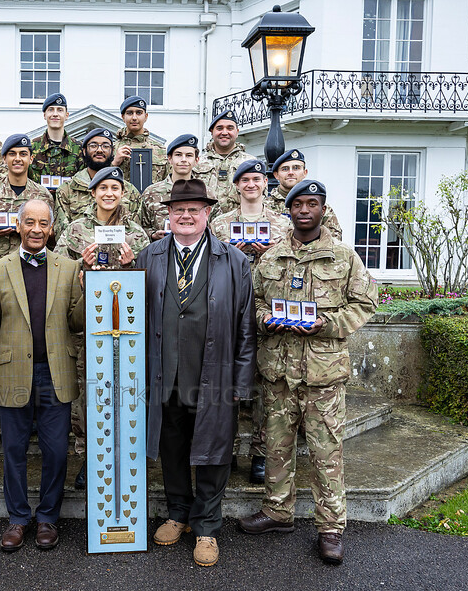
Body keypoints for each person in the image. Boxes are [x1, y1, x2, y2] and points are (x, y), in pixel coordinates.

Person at [239, 180, 377, 566]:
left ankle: (330, 527)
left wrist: (327, 324)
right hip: (279, 371)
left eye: (311, 204)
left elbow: (364, 302)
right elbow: (253, 303)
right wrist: (268, 320)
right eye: (297, 204)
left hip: (323, 374)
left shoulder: (343, 257)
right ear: (289, 210)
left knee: (326, 453)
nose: (304, 210)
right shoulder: (270, 258)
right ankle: (277, 511)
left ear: (322, 209)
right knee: (277, 447)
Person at [135, 178, 255, 568]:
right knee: (171, 445)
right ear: (167, 215)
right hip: (164, 374)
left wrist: (240, 380)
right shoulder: (148, 256)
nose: (185, 216)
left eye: (193, 210)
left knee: (214, 451)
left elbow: (245, 326)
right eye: (178, 210)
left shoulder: (234, 261)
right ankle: (178, 511)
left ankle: (206, 525)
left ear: (207, 214)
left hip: (213, 375)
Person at [0, 198, 85, 552]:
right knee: (14, 450)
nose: (36, 229)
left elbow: (77, 323)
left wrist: (89, 288)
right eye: (30, 222)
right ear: (19, 225)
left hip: (56, 374)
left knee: (56, 451)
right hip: (11, 373)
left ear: (51, 228)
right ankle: (18, 518)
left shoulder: (69, 269)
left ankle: (48, 518)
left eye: (43, 223)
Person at [54, 166, 149, 489]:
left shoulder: (135, 232)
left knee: (123, 391)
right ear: (92, 192)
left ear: (123, 193)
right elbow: (58, 270)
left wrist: (129, 265)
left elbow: (149, 277)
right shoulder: (76, 229)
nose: (109, 193)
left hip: (126, 327)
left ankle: (122, 454)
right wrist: (82, 268)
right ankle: (89, 456)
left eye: (115, 188)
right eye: (103, 188)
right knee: (87, 392)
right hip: (86, 325)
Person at [209, 159, 291, 484]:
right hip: (230, 310)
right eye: (245, 179)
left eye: (257, 178)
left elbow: (292, 269)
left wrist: (270, 252)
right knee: (226, 384)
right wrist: (231, 251)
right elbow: (209, 266)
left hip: (269, 311)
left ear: (265, 183)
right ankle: (224, 450)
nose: (251, 184)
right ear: (237, 185)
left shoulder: (282, 226)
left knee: (266, 386)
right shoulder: (221, 224)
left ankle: (259, 453)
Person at [0, 134, 54, 441]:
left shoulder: (41, 193)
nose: (18, 158)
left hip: (30, 273)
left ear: (32, 159)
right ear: (3, 158)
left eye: (24, 154)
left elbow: (50, 233)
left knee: (27, 337)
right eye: (12, 153)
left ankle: (27, 404)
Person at [54, 128, 142, 239]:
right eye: (94, 145)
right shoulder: (66, 190)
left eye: (105, 146)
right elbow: (62, 233)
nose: (100, 150)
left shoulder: (130, 191)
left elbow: (136, 233)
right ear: (84, 151)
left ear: (112, 151)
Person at [264, 149, 342, 239]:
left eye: (296, 168)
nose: (291, 172)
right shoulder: (265, 206)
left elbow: (335, 239)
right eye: (285, 169)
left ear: (305, 173)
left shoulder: (320, 208)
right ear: (276, 175)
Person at [140, 134, 201, 240]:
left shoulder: (205, 192)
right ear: (169, 159)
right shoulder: (152, 193)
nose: (183, 159)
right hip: (161, 252)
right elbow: (141, 226)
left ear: (196, 160)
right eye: (178, 155)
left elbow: (213, 227)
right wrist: (153, 235)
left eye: (189, 155)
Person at [194, 110, 255, 217]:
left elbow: (260, 198)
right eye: (219, 128)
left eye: (230, 128)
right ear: (212, 132)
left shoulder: (250, 163)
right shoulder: (197, 163)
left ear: (237, 132)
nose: (225, 132)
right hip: (205, 225)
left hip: (240, 225)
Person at [27, 93, 83, 189]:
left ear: (66, 115)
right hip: (39, 202)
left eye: (60, 110)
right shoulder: (32, 147)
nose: (55, 114)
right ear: (45, 115)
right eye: (51, 110)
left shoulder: (79, 148)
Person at [112, 95, 168, 187]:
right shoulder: (111, 149)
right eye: (129, 113)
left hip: (152, 200)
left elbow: (169, 182)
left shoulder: (160, 150)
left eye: (139, 113)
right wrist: (115, 163)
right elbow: (101, 182)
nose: (134, 118)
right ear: (123, 117)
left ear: (146, 116)